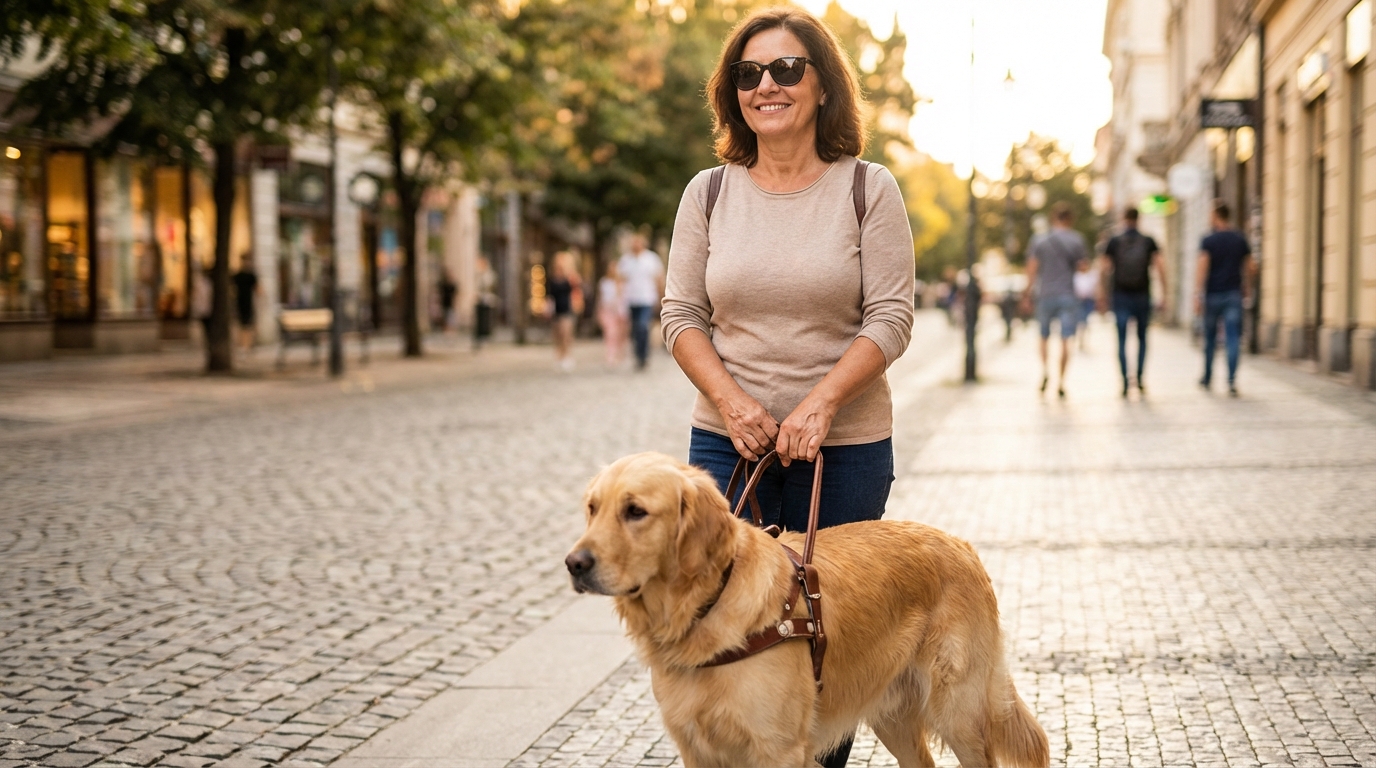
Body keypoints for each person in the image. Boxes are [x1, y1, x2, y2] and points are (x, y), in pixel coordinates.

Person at [660, 9, 914, 767]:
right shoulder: (707, 194)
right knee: (717, 629)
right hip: (725, 446)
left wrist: (820, 404)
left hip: (844, 450)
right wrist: (735, 404)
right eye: (748, 73)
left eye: (785, 69)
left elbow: (893, 316)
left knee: (816, 642)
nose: (766, 85)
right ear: (732, 92)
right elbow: (681, 314)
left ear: (822, 85)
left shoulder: (868, 190)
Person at [1101, 207, 1167, 397]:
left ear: (1123, 218)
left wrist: (1103, 295)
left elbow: (1105, 269)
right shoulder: (1148, 241)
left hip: (1120, 295)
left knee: (1121, 340)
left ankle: (1123, 381)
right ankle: (1139, 378)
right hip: (1142, 295)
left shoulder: (1114, 241)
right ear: (1139, 219)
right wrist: (1165, 293)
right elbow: (1160, 267)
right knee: (1142, 338)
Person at [1022, 202, 1087, 398]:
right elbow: (1083, 267)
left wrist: (1026, 293)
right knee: (1066, 339)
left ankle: (1045, 371)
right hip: (1067, 294)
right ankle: (1061, 381)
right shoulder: (1076, 240)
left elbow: (1032, 268)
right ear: (1070, 219)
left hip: (1045, 294)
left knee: (1043, 336)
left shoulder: (1039, 240)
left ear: (1053, 218)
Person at [1196, 200, 1255, 397]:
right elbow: (1250, 266)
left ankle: (1207, 376)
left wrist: (1198, 294)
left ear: (1216, 215)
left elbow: (1202, 267)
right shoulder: (1239, 239)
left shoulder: (1209, 240)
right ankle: (1231, 380)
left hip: (1213, 294)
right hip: (1233, 293)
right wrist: (1247, 286)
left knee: (1210, 338)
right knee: (1232, 338)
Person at [617, 234, 664, 370]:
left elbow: (659, 278)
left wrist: (661, 296)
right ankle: (638, 354)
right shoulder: (626, 260)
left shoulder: (651, 259)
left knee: (643, 326)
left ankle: (644, 354)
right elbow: (620, 279)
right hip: (631, 299)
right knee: (635, 328)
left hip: (647, 298)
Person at [546, 251, 584, 372]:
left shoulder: (571, 277)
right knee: (557, 334)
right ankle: (560, 355)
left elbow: (577, 290)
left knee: (566, 333)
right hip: (556, 309)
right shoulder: (552, 277)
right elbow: (549, 294)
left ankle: (567, 355)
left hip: (568, 308)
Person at [597, 260, 629, 368]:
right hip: (608, 311)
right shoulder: (604, 282)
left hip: (621, 311)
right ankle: (611, 355)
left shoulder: (622, 283)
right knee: (610, 333)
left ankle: (620, 353)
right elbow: (601, 298)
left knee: (621, 334)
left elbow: (625, 298)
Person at [232, 259, 259, 352]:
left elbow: (258, 289)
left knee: (247, 324)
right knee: (244, 324)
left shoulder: (250, 275)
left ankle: (247, 345)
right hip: (242, 302)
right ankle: (245, 345)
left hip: (247, 302)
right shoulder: (239, 276)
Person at [1072, 259, 1099, 352]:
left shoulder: (1091, 276)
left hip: (1088, 301)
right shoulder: (1075, 276)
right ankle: (1079, 340)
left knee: (1085, 321)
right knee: (1079, 321)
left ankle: (1083, 340)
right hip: (1078, 301)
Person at [439, 269, 458, 334]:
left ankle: (450, 328)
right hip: (445, 302)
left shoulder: (452, 285)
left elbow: (455, 292)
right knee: (446, 315)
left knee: (450, 315)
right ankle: (446, 328)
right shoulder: (444, 285)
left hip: (450, 303)